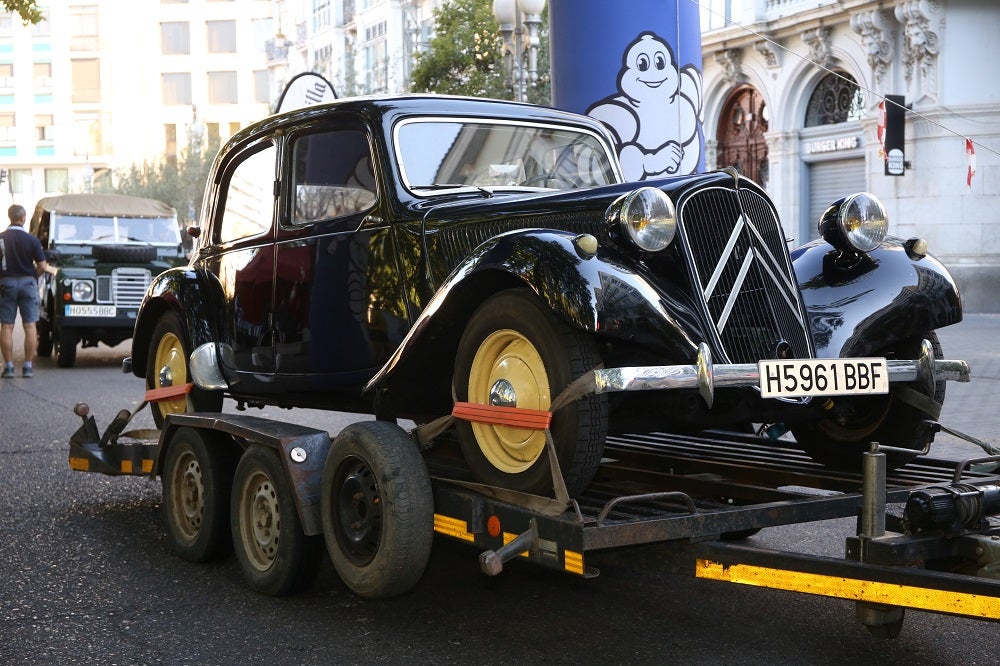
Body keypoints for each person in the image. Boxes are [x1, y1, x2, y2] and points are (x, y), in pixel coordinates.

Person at [0, 204, 51, 378]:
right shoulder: (32, 240)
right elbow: (43, 266)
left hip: (6, 284)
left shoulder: (1, 239)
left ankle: (8, 367)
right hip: (28, 284)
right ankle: (28, 367)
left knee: (6, 326)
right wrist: (32, 277)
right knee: (30, 325)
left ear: (10, 217)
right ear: (23, 218)